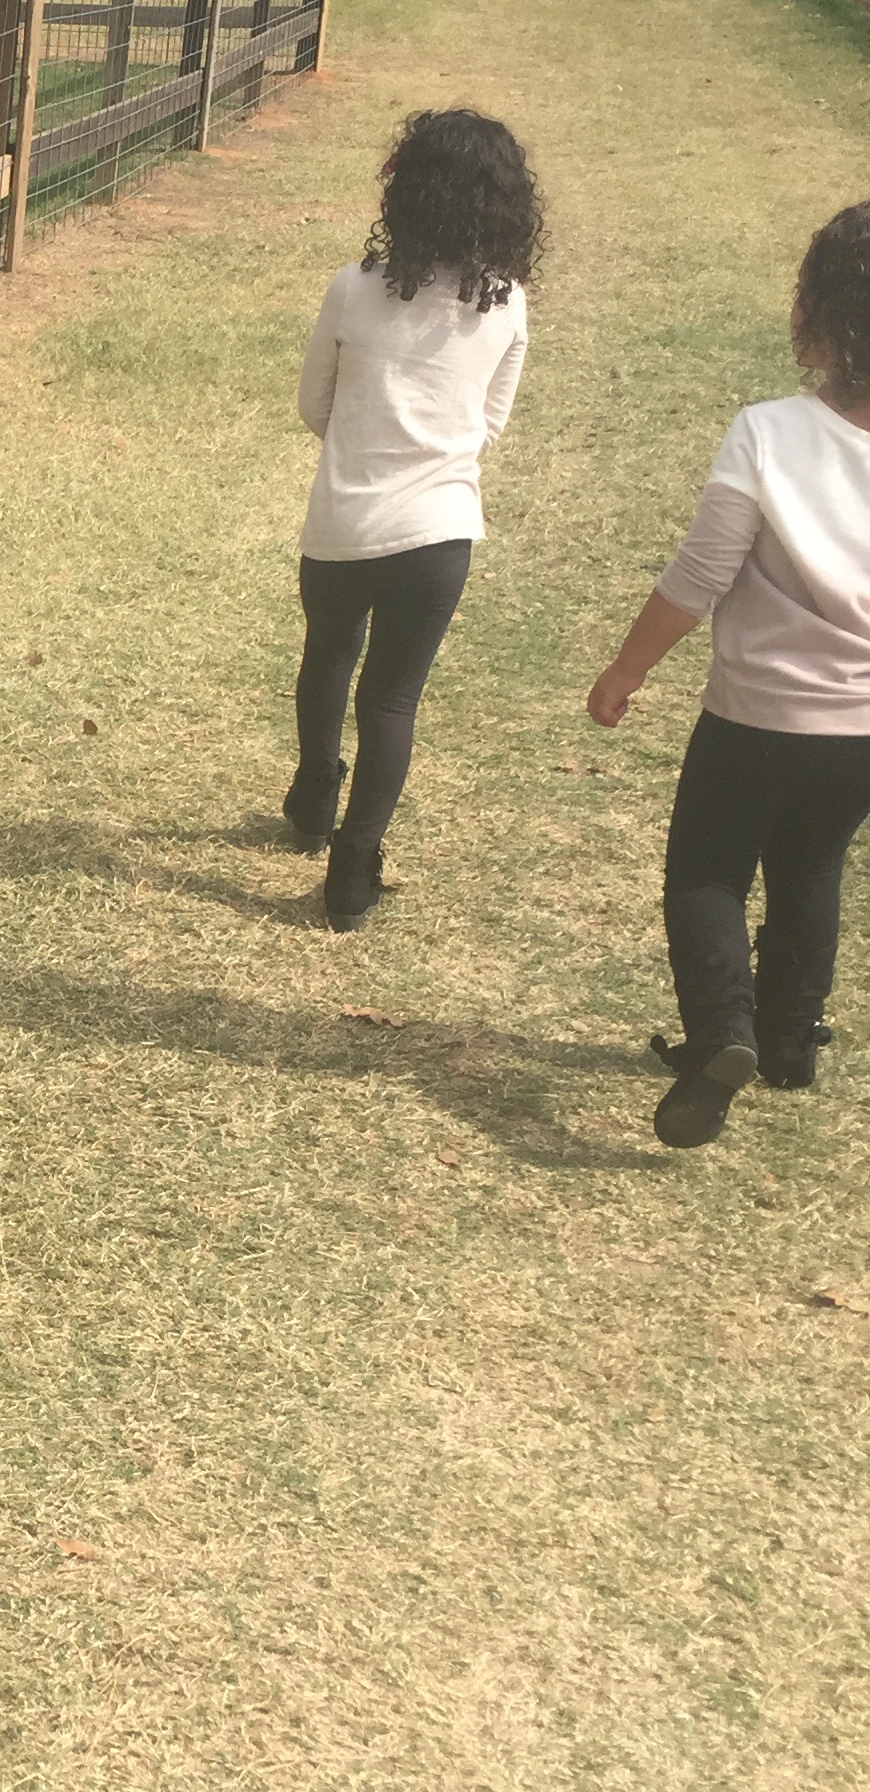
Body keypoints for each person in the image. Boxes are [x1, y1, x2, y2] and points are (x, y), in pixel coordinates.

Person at [587, 201, 870, 1150]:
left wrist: (626, 669)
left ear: (820, 313)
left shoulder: (771, 433)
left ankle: (722, 1035)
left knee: (708, 873)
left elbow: (701, 576)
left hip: (755, 717)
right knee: (813, 865)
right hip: (862, 730)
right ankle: (790, 1041)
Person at [285, 110, 540, 929]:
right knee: (392, 701)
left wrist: (364, 441)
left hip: (343, 523)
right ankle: (352, 874)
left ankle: (312, 796)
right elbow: (489, 425)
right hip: (440, 534)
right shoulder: (507, 306)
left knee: (329, 655)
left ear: (407, 192)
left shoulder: (353, 286)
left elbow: (313, 405)